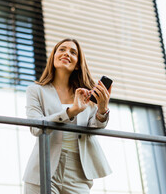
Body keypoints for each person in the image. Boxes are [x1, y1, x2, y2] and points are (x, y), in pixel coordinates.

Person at [23, 38, 112, 194]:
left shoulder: (87, 94)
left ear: (77, 63)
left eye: (73, 52)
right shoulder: (35, 91)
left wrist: (102, 109)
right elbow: (36, 127)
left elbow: (94, 127)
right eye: (62, 50)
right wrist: (71, 112)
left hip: (78, 170)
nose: (66, 54)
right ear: (54, 56)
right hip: (45, 166)